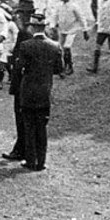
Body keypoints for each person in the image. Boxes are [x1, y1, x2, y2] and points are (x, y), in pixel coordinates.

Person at [11, 12, 64, 171]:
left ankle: (30, 160)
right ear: (44, 27)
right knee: (41, 127)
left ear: (33, 27)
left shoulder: (26, 46)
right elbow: (58, 69)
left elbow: (19, 68)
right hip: (44, 91)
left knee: (28, 126)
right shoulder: (55, 46)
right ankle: (41, 162)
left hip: (28, 91)